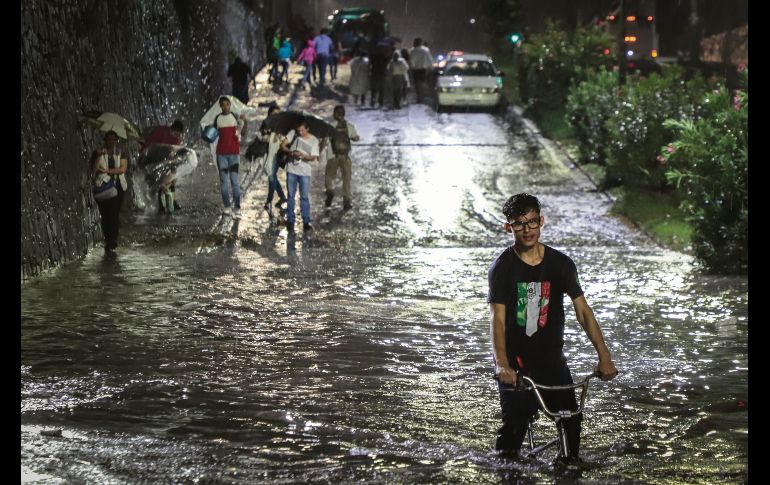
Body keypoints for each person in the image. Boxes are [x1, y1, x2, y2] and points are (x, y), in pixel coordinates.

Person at [487, 193, 618, 460]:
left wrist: (604, 356)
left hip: (552, 361)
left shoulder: (561, 264)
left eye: (533, 222)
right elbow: (497, 319)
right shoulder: (502, 268)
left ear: (542, 222)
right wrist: (502, 364)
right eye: (519, 223)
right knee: (514, 426)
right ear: (508, 227)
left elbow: (583, 311)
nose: (527, 230)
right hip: (517, 363)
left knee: (571, 421)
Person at [279, 120, 320, 235]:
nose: (300, 132)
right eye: (299, 130)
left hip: (305, 172)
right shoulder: (293, 133)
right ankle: (290, 221)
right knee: (291, 196)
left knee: (304, 197)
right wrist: (291, 153)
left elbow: (314, 157)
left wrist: (303, 156)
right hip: (292, 169)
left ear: (307, 129)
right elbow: (283, 146)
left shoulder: (314, 140)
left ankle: (306, 221)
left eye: (302, 130)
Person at [91, 130, 128, 253]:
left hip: (118, 186)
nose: (111, 142)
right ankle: (108, 240)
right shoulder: (99, 152)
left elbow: (122, 169)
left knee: (114, 214)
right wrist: (99, 155)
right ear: (105, 140)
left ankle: (113, 240)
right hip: (104, 186)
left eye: (114, 139)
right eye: (109, 139)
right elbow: (94, 169)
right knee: (106, 215)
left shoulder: (121, 152)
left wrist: (106, 171)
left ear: (117, 141)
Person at [214, 96, 247, 218]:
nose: (225, 107)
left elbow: (242, 133)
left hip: (234, 153)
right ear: (220, 106)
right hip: (221, 154)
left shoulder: (235, 117)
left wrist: (243, 122)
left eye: (227, 104)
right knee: (223, 182)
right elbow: (212, 136)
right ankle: (227, 207)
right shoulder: (217, 119)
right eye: (223, 104)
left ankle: (237, 208)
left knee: (235, 181)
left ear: (230, 105)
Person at [141, 120, 184, 213]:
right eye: (176, 134)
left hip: (166, 160)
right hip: (154, 159)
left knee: (171, 180)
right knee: (160, 182)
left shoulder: (176, 139)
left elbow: (175, 151)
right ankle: (160, 205)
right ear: (172, 129)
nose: (177, 137)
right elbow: (150, 145)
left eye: (178, 135)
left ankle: (172, 200)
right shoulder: (161, 131)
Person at [324, 105, 360, 211]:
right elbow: (356, 138)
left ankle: (330, 190)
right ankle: (347, 200)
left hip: (332, 156)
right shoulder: (349, 126)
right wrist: (354, 137)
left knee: (329, 176)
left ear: (335, 114)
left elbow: (325, 140)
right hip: (345, 156)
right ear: (344, 114)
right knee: (347, 179)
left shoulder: (330, 126)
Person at [256, 105, 287, 217]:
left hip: (277, 156)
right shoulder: (266, 125)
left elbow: (286, 140)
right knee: (272, 177)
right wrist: (268, 137)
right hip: (266, 155)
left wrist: (279, 138)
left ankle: (269, 201)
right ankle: (283, 198)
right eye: (273, 114)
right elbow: (260, 136)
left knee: (271, 178)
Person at [409, 38, 433, 103]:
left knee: (417, 84)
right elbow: (430, 60)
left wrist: (411, 68)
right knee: (422, 83)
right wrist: (431, 68)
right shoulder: (426, 50)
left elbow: (411, 61)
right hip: (423, 69)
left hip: (416, 70)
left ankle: (419, 97)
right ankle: (422, 96)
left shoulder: (412, 51)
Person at [369, 44, 388, 108]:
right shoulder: (384, 57)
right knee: (381, 89)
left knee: (373, 89)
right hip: (382, 74)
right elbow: (386, 64)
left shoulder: (373, 57)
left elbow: (370, 63)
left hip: (374, 73)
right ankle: (381, 102)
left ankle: (373, 100)